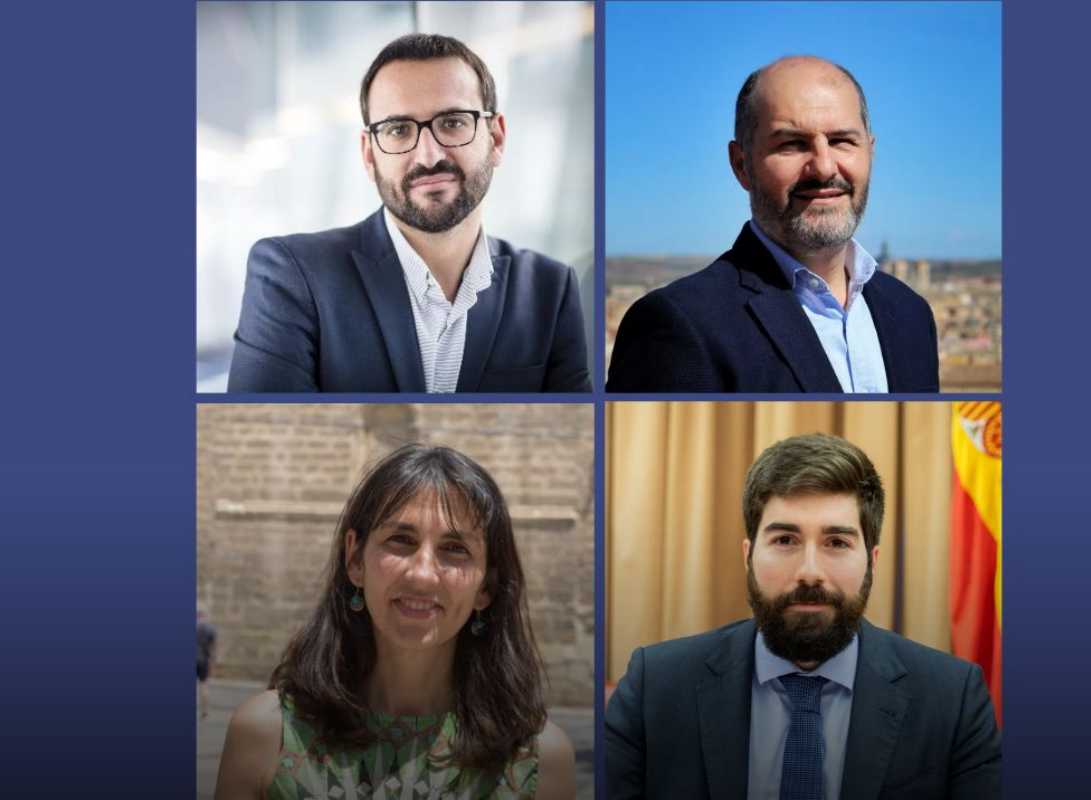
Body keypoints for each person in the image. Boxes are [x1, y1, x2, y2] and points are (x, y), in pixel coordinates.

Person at [605, 434, 1000, 799]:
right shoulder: (653, 687)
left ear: (872, 562)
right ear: (748, 556)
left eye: (836, 542)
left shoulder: (954, 699)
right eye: (785, 540)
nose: (809, 571)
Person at [228, 34, 591, 393]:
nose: (429, 156)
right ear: (369, 155)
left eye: (452, 122)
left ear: (495, 138)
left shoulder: (549, 289)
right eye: (398, 130)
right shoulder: (293, 275)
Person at [215, 445, 576, 799]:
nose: (422, 575)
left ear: (487, 586)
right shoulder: (266, 736)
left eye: (455, 549)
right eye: (401, 540)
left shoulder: (541, 762)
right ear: (355, 559)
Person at [607, 57, 939, 393]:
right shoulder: (680, 325)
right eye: (792, 144)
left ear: (870, 153)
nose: (824, 168)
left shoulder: (911, 314)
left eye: (841, 141)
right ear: (741, 165)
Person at [197, 608, 218, 719]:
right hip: (203, 660)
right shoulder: (210, 629)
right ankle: (204, 712)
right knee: (204, 685)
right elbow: (213, 647)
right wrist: (212, 662)